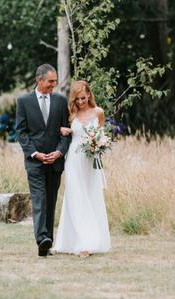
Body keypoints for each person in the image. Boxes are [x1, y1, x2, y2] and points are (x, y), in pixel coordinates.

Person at [15, 64, 71, 257]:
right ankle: (42, 239)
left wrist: (60, 152)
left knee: (50, 201)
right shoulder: (24, 101)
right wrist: (34, 153)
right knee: (39, 199)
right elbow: (21, 132)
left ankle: (47, 243)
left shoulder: (60, 101)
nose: (53, 85)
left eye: (54, 82)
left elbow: (66, 131)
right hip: (35, 161)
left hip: (55, 162)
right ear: (40, 80)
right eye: (51, 82)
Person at [54, 80, 111, 258]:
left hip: (91, 162)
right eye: (77, 99)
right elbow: (58, 130)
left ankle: (92, 239)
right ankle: (83, 244)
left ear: (89, 95)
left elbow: (101, 135)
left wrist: (100, 147)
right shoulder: (71, 113)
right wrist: (61, 130)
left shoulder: (98, 112)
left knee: (91, 197)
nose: (80, 102)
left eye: (83, 98)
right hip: (73, 160)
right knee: (75, 197)